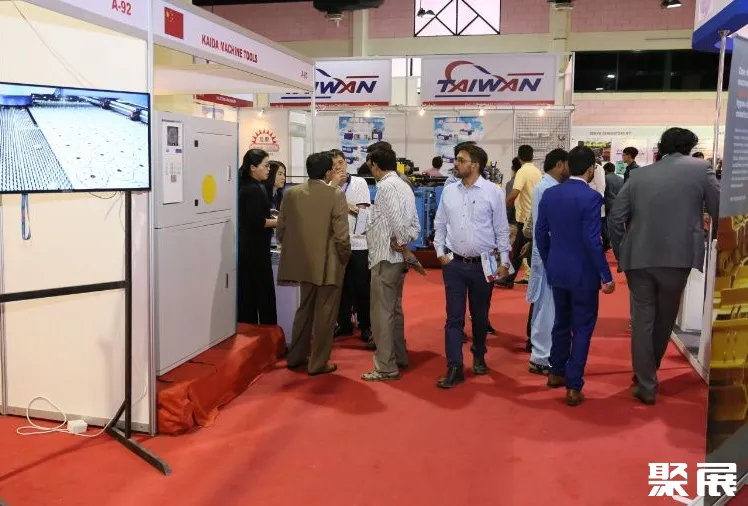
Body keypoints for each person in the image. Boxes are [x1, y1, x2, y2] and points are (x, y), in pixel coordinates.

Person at [608, 127, 720, 405]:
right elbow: (720, 210)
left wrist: (622, 252)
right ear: (690, 146)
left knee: (642, 321)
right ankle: (647, 374)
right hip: (678, 258)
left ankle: (646, 381)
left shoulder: (639, 175)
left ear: (662, 147)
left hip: (638, 259)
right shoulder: (701, 169)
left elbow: (615, 217)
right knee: (665, 320)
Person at [535, 145, 615, 407]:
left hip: (558, 269)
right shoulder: (592, 198)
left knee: (561, 321)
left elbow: (540, 233)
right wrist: (606, 275)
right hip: (584, 273)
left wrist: (549, 260)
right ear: (591, 169)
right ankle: (573, 384)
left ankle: (556, 372)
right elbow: (593, 241)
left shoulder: (550, 194)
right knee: (582, 327)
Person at [433, 143, 511, 389]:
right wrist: (440, 253)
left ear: (475, 165)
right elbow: (440, 224)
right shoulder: (449, 191)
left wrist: (505, 261)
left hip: (483, 266)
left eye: (461, 160)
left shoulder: (493, 192)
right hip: (454, 264)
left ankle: (479, 354)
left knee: (479, 316)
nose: (456, 164)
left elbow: (501, 229)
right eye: (456, 159)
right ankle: (454, 366)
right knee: (453, 317)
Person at [277, 152, 351, 376]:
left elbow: (281, 229)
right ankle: (318, 363)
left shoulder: (291, 193)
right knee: (325, 314)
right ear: (328, 172)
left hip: (303, 262)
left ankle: (296, 356)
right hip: (329, 263)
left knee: (304, 309)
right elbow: (341, 236)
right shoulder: (335, 195)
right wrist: (344, 258)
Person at [361, 147, 420, 382]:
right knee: (394, 310)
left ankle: (386, 367)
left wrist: (401, 241)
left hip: (385, 256)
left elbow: (396, 221)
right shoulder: (404, 184)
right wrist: (406, 240)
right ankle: (399, 356)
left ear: (375, 165)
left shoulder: (385, 186)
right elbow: (414, 223)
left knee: (381, 313)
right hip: (396, 258)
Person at [526, 149, 569, 376]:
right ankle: (541, 357)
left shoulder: (548, 186)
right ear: (560, 164)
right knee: (546, 307)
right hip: (548, 255)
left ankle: (542, 354)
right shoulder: (547, 188)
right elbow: (547, 228)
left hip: (547, 254)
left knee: (546, 306)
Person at [329, 149, 373, 343]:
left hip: (358, 243)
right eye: (333, 165)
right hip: (336, 243)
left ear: (346, 162)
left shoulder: (359, 183)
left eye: (340, 162)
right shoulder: (327, 186)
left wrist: (342, 202)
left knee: (362, 287)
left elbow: (364, 214)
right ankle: (344, 323)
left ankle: (366, 325)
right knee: (341, 287)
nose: (338, 167)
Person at [237, 148, 277, 325]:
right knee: (262, 295)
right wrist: (281, 221)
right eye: (266, 165)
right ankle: (266, 332)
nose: (269, 169)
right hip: (255, 250)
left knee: (251, 296)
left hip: (252, 248)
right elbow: (258, 221)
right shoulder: (251, 189)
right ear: (253, 168)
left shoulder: (253, 186)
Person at [504, 145, 541, 287]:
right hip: (534, 215)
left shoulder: (522, 171)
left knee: (519, 250)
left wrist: (503, 208)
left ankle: (508, 279)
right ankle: (509, 279)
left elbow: (514, 193)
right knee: (524, 249)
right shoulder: (537, 171)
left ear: (519, 157)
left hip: (524, 218)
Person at [602, 162, 623, 251]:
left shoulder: (605, 178)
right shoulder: (621, 179)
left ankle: (608, 242)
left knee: (606, 224)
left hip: (608, 204)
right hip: (619, 204)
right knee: (617, 225)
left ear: (606, 170)